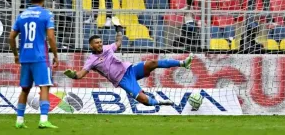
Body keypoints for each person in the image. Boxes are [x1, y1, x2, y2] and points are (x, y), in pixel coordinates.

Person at [64, 33, 194, 106]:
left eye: (100, 42)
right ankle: (161, 102)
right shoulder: (91, 60)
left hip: (130, 70)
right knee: (143, 100)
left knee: (152, 62)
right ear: (91, 45)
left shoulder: (108, 48)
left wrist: (119, 34)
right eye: (97, 43)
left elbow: (118, 44)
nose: (100, 44)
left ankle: (183, 63)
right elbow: (80, 74)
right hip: (123, 80)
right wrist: (73, 75)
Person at [9, 0, 59, 129]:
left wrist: (15, 55)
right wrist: (55, 55)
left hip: (25, 56)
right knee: (44, 86)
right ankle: (43, 120)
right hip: (40, 57)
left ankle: (19, 120)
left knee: (25, 89)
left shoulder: (22, 15)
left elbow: (11, 37)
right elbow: (50, 37)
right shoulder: (46, 14)